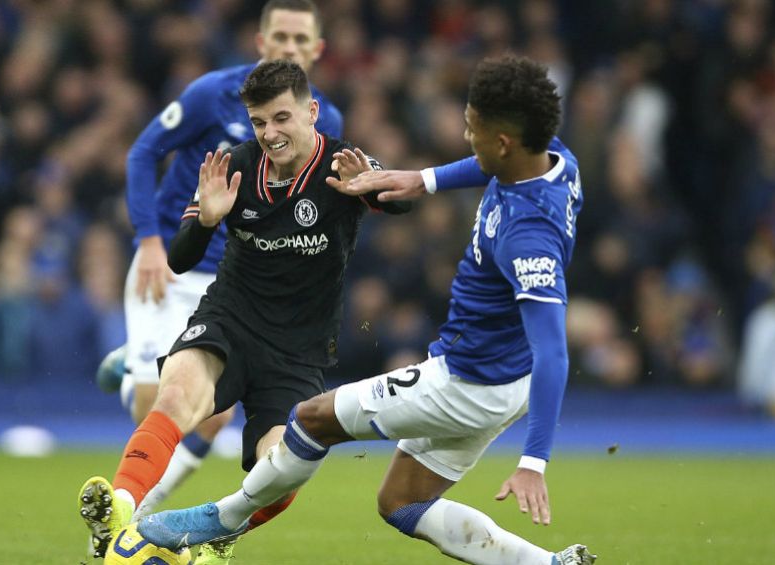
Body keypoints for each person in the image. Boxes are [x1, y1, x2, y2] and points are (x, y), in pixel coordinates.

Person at [136, 54, 597, 565]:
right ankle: (551, 564)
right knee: (401, 503)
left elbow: (553, 351)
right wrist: (424, 180)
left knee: (311, 420)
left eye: (474, 129)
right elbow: (484, 164)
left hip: (469, 380)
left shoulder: (529, 238)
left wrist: (533, 461)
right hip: (502, 381)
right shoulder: (554, 157)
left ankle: (221, 519)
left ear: (504, 142)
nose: (467, 137)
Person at [77, 59, 410, 559]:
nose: (270, 134)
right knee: (176, 398)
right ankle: (122, 509)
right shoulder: (232, 165)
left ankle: (221, 532)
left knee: (281, 469)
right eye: (259, 122)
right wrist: (206, 220)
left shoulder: (343, 165)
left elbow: (401, 201)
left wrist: (375, 185)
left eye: (281, 118)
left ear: (312, 111)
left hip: (298, 350)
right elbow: (181, 258)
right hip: (229, 320)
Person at [92, 0, 343, 549]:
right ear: (260, 41)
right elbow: (143, 153)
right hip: (181, 271)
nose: (290, 48)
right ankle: (128, 513)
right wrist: (153, 241)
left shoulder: (336, 141)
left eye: (302, 41)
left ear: (317, 54)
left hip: (274, 318)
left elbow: (362, 210)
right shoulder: (212, 96)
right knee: (166, 400)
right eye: (280, 36)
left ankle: (157, 522)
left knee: (239, 438)